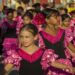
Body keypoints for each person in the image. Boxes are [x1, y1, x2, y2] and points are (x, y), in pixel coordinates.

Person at [39, 8, 73, 75]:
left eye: (58, 16)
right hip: (51, 68)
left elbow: (70, 46)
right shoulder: (40, 35)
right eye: (55, 16)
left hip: (66, 66)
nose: (58, 18)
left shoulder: (63, 31)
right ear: (47, 20)